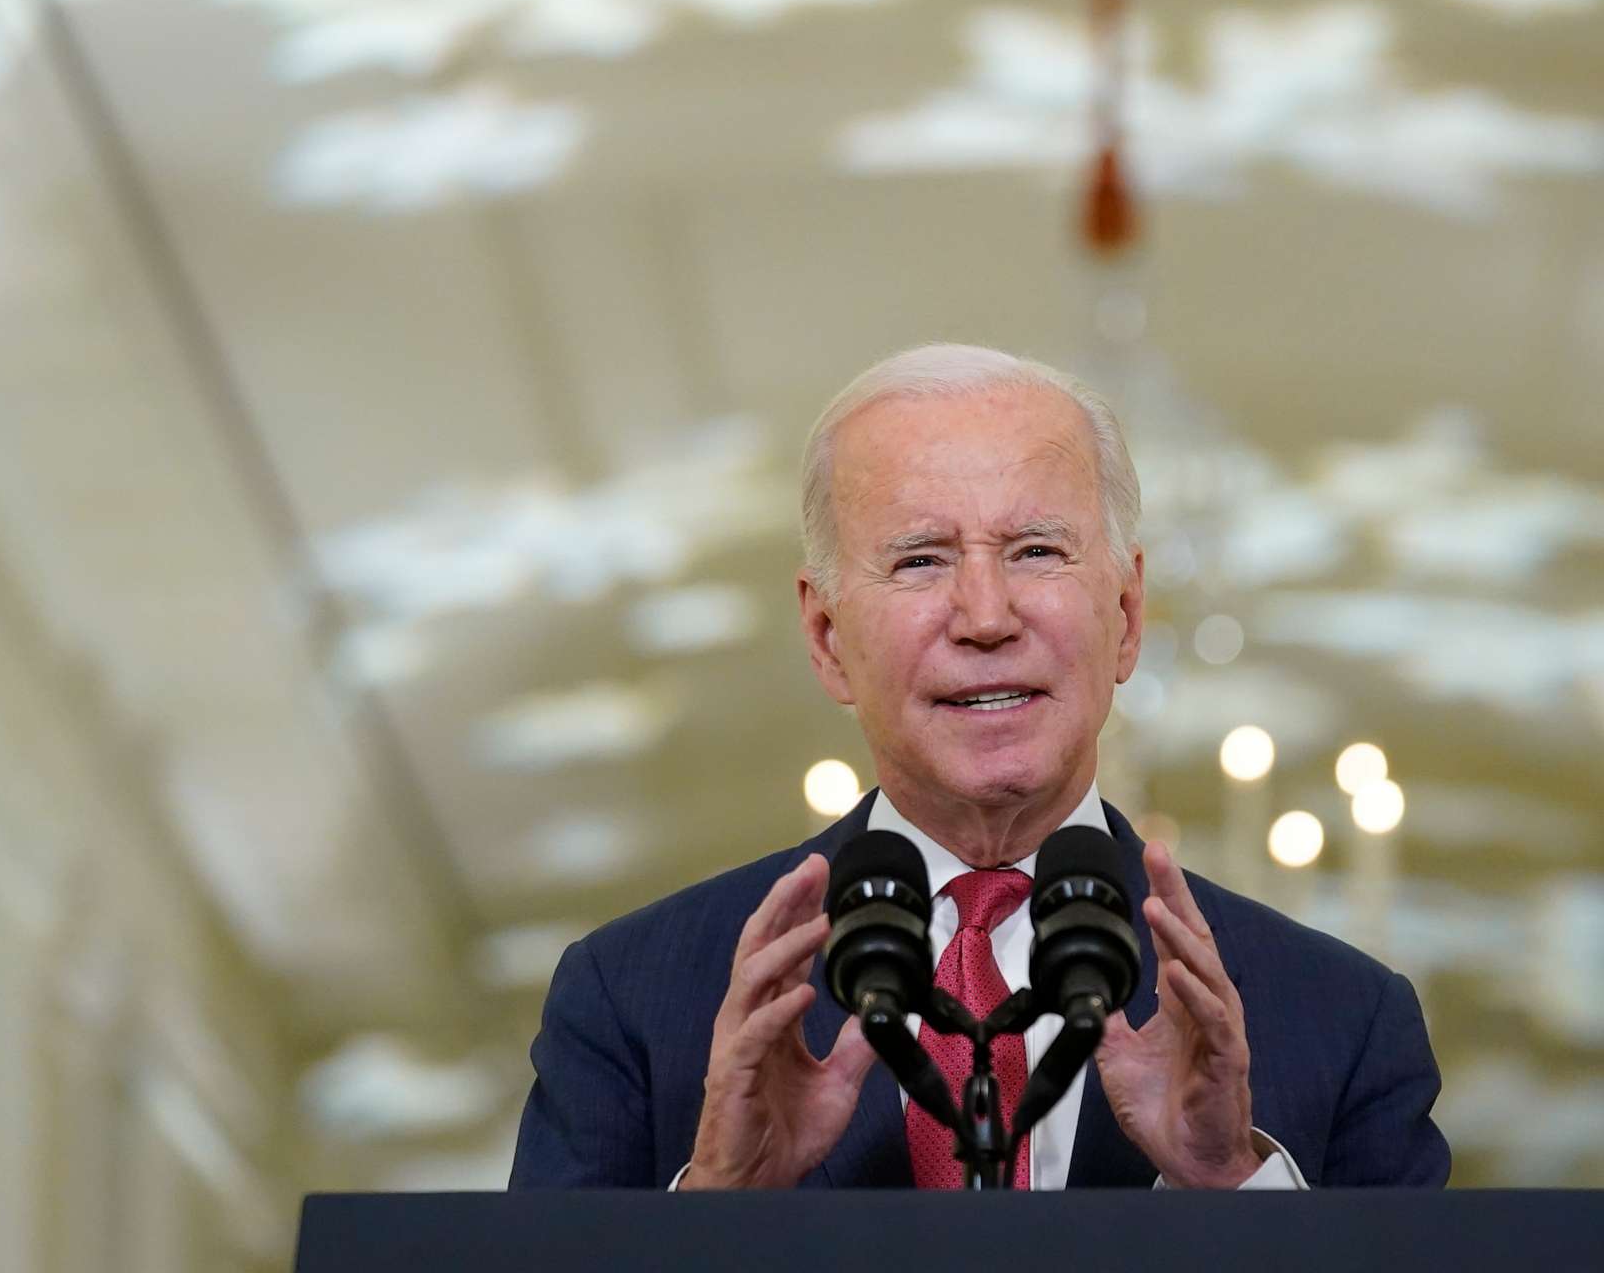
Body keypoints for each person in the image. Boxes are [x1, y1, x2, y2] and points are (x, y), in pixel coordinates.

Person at [509, 344, 1449, 1190]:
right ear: (827, 636)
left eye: (1036, 551)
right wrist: (719, 1208)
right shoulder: (632, 1001)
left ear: (1125, 616)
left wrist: (1230, 1189)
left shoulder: (1345, 1019)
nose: (987, 616)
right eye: (920, 561)